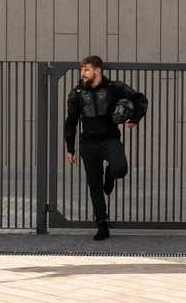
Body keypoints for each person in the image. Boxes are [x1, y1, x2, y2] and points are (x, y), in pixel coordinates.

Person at [64, 55, 148, 241]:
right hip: (88, 144)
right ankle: (102, 225)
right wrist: (70, 148)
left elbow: (141, 100)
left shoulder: (115, 88)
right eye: (81, 70)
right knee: (94, 186)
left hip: (110, 140)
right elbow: (70, 122)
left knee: (120, 169)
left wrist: (135, 120)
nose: (82, 73)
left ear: (97, 70)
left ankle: (110, 174)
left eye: (86, 69)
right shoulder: (77, 92)